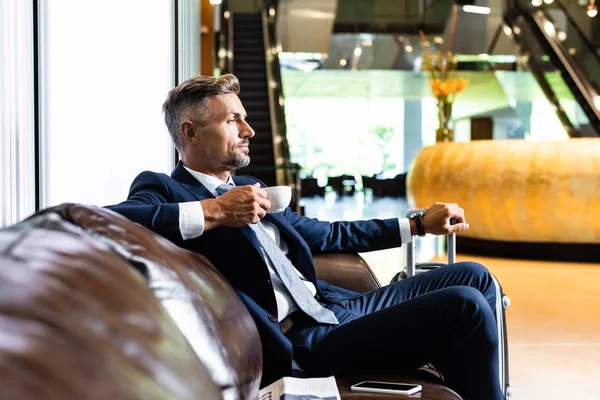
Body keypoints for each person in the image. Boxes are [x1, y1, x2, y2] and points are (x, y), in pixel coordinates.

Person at [107, 74, 504, 400]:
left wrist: (417, 224)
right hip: (305, 340)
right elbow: (114, 220)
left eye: (244, 118)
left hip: (333, 306)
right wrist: (216, 211)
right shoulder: (164, 188)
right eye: (232, 121)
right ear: (190, 132)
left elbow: (328, 234)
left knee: (474, 275)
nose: (249, 130)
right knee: (464, 304)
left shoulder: (252, 186)